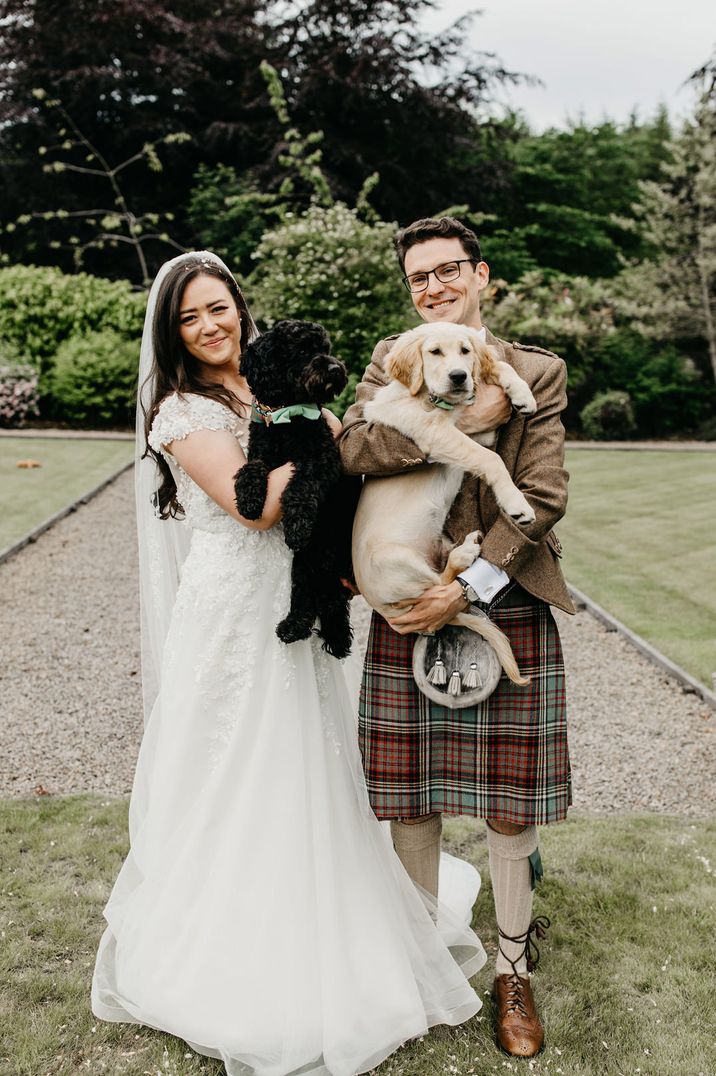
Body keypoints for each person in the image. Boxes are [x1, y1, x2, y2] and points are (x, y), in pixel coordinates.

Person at [91, 251, 487, 1076]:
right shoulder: (179, 410)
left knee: (311, 756)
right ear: (174, 332)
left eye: (220, 308)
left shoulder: (264, 385)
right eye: (192, 317)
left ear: (241, 308)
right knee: (236, 761)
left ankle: (329, 911)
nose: (211, 325)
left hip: (297, 599)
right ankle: (233, 943)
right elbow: (259, 508)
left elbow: (339, 474)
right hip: (233, 609)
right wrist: (326, 439)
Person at [339, 217, 574, 1059]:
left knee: (510, 806)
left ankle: (512, 971)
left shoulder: (538, 370)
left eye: (446, 272)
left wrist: (467, 588)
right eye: (418, 278)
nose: (432, 287)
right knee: (413, 796)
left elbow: (541, 494)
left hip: (498, 590)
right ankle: (418, 962)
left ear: (483, 276)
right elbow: (352, 447)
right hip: (408, 594)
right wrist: (457, 414)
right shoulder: (393, 355)